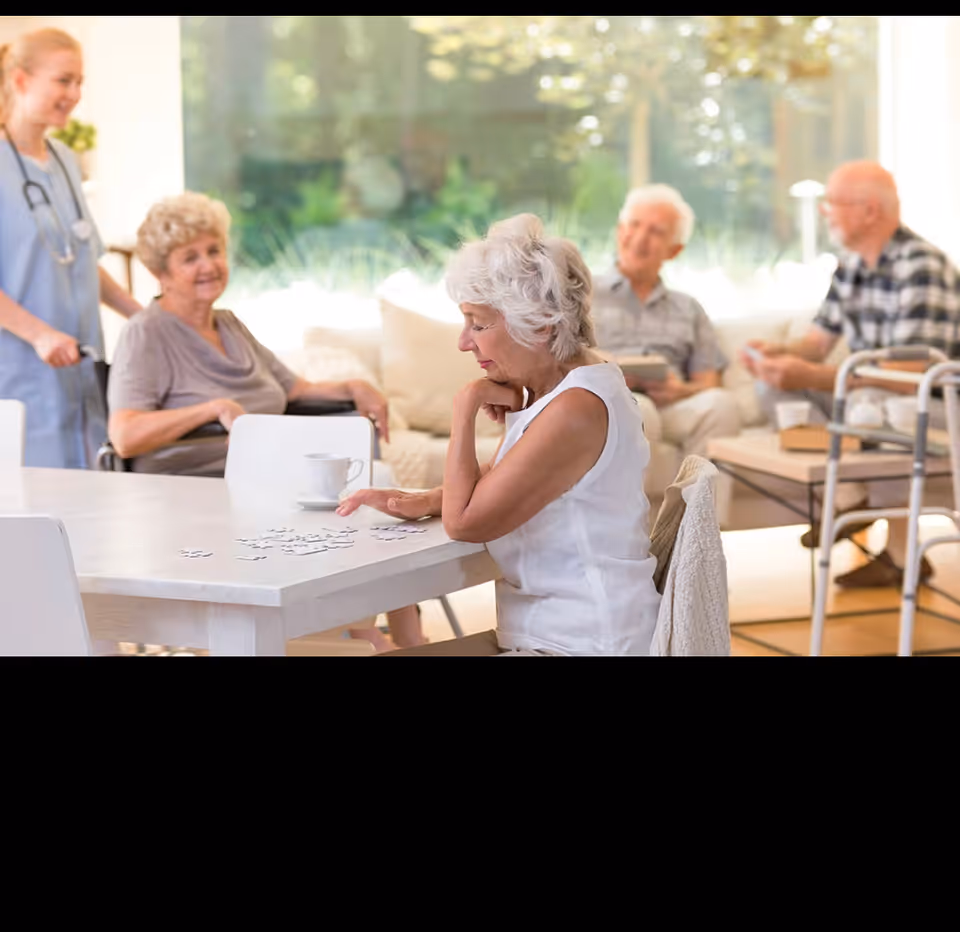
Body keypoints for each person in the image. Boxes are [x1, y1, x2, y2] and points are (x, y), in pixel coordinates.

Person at [107, 191, 426, 650]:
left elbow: (293, 390)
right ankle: (368, 637)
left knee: (380, 483)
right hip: (200, 492)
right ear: (161, 272)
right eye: (189, 257)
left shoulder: (230, 323)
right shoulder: (146, 333)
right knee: (357, 502)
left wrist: (353, 385)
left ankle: (401, 636)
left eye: (213, 250)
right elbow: (124, 435)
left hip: (270, 475)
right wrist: (210, 408)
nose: (208, 265)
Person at [336, 214, 662, 657]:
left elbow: (465, 523)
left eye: (478, 324)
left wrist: (466, 407)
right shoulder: (577, 384)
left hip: (584, 644)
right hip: (567, 635)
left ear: (541, 324)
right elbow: (510, 478)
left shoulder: (575, 411)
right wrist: (422, 499)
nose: (464, 343)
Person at [741, 160, 960, 589]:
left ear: (869, 211)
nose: (825, 213)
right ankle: (870, 520)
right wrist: (775, 353)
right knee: (776, 387)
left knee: (879, 404)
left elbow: (912, 374)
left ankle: (852, 506)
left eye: (832, 204)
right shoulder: (852, 265)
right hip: (870, 399)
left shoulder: (922, 266)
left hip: (935, 409)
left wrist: (816, 375)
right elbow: (816, 344)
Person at [0, 29, 142, 468]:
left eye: (80, 82)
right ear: (21, 80)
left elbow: (83, 259)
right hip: (21, 372)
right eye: (63, 81)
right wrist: (39, 334)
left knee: (90, 502)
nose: (75, 93)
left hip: (82, 370)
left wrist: (146, 318)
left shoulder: (63, 159)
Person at [591, 184, 742, 522]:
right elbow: (560, 359)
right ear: (620, 231)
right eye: (634, 225)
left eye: (656, 231)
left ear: (674, 250)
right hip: (610, 404)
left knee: (721, 405)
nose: (640, 238)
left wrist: (681, 389)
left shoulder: (688, 307)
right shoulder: (584, 294)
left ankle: (699, 540)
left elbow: (709, 381)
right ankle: (626, 547)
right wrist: (609, 367)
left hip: (672, 405)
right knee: (639, 409)